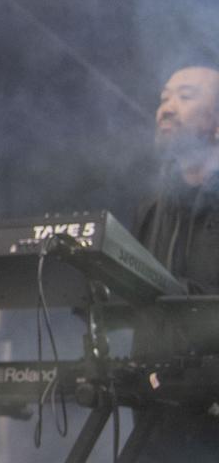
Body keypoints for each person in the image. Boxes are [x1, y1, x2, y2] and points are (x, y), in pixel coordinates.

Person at [128, 65, 219, 461]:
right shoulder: (151, 211)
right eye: (164, 97)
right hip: (157, 416)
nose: (166, 107)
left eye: (185, 96)